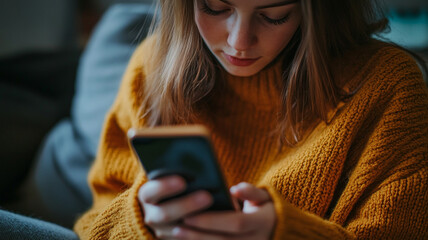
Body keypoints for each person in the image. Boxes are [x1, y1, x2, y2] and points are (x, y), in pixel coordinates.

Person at [74, 0, 428, 239]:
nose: (238, 41)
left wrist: (285, 234)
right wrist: (142, 221)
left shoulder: (389, 87)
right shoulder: (151, 68)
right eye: (215, 6)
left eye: (274, 14)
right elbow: (91, 226)